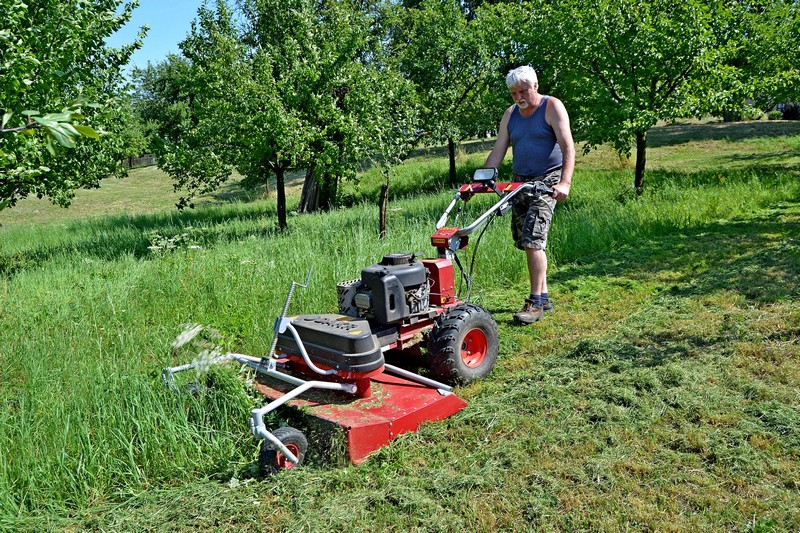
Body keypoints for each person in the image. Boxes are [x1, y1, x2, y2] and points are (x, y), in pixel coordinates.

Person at [483, 66, 575, 324]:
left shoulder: (552, 107)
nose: (518, 96)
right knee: (525, 239)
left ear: (535, 85)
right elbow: (499, 149)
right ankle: (544, 298)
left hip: (548, 180)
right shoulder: (510, 114)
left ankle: (534, 302)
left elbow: (568, 146)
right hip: (520, 181)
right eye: (513, 93)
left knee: (534, 237)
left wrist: (565, 183)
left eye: (523, 90)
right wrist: (483, 177)